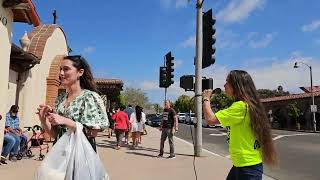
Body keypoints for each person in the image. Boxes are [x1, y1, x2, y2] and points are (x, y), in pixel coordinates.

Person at [202, 70, 278, 180]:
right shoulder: (247, 105)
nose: (224, 85)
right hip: (242, 165)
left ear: (237, 85)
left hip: (247, 168)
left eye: (227, 82)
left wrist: (206, 98)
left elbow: (210, 119)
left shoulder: (240, 107)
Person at [37, 55, 109, 152]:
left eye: (66, 69)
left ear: (80, 72)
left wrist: (65, 121)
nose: (61, 73)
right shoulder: (60, 98)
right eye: (60, 69)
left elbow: (92, 133)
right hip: (60, 153)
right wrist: (43, 119)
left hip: (81, 154)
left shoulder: (89, 97)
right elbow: (56, 135)